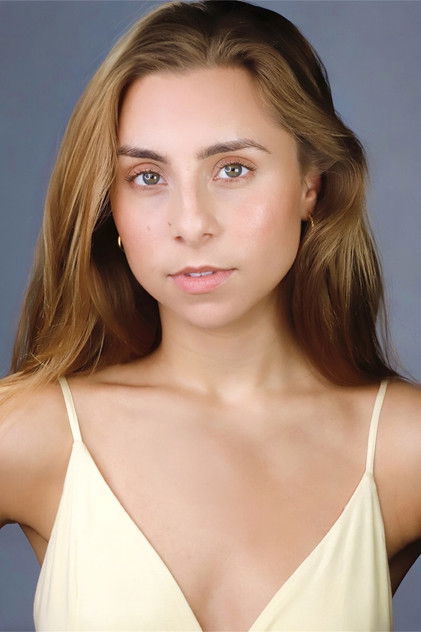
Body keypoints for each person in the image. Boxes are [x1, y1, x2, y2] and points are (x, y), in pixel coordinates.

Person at [0, 0, 420, 630]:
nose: (191, 223)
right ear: (110, 205)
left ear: (311, 186)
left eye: (232, 169)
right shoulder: (32, 433)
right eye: (148, 176)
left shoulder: (402, 448)